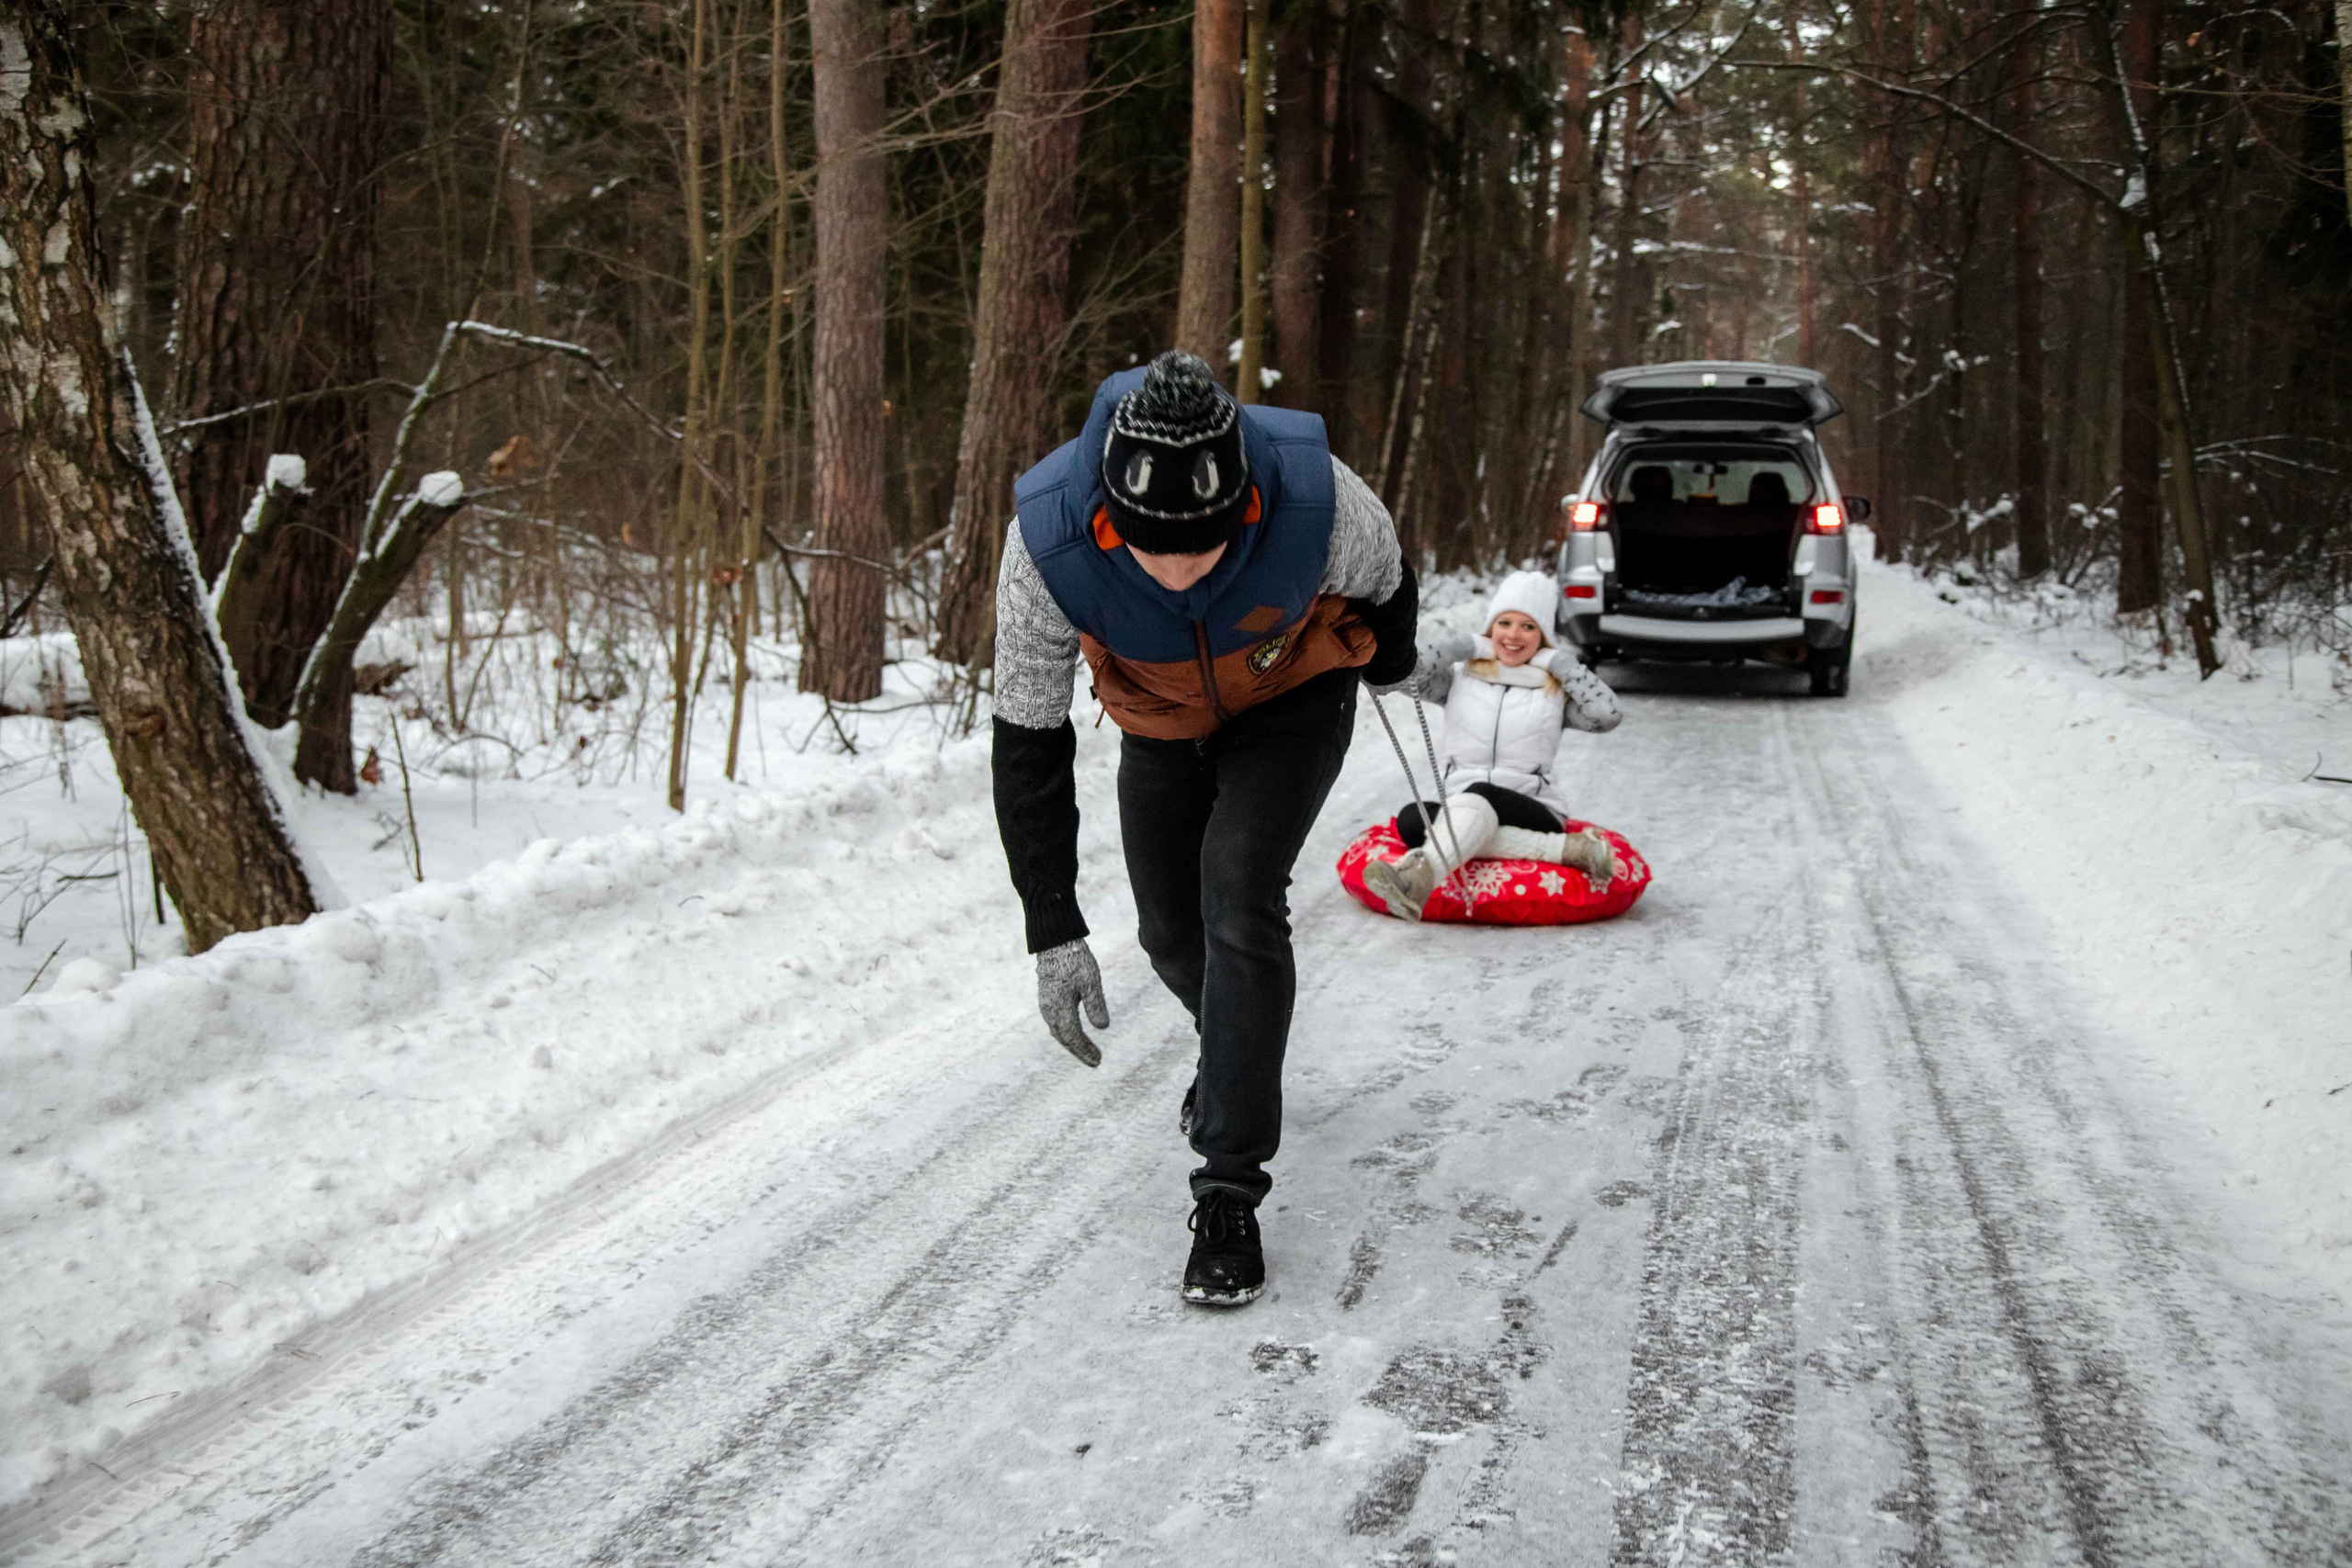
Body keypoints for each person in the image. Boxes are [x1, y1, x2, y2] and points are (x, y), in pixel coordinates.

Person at [990, 351, 1418, 1307]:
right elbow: (1028, 739)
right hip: (1157, 716)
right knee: (1170, 935)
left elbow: (1389, 587)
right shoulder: (1046, 544)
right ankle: (1233, 1052)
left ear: (1246, 511)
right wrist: (1051, 926)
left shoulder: (1321, 503)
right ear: (1108, 513)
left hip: (1292, 694)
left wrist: (1395, 667)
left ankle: (1228, 1187)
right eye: (1153, 553)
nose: (1180, 574)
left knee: (1236, 891)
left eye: (1205, 550)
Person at [1360, 570, 1623, 920]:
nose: (1513, 636)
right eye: (1504, 623)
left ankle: (1419, 880)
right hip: (1463, 808)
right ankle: (1567, 850)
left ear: (1543, 636)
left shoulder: (1554, 692)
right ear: (1490, 628)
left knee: (1481, 792)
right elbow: (1403, 673)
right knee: (1411, 820)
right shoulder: (1459, 680)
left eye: (1529, 627)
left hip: (1533, 808)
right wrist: (1462, 647)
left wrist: (1560, 664)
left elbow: (1607, 715)